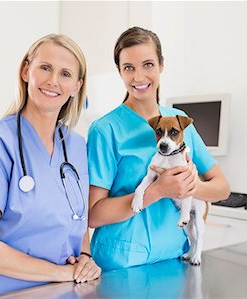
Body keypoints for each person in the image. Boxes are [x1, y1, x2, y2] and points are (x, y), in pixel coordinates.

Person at [0, 34, 101, 298]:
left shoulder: (77, 146)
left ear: (77, 86)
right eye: (45, 68)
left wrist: (85, 257)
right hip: (7, 293)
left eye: (65, 74)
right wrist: (59, 273)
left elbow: (77, 221)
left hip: (66, 291)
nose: (53, 80)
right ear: (25, 71)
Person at [87, 27, 230, 271]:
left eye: (148, 64)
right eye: (128, 67)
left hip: (174, 259)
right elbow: (93, 215)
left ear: (161, 65)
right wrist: (158, 190)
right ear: (120, 71)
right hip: (122, 265)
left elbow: (222, 188)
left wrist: (190, 186)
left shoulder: (179, 121)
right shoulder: (105, 129)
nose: (139, 76)